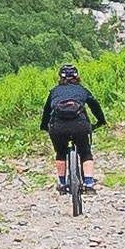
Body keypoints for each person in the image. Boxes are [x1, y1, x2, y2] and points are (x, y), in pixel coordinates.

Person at [41, 64, 107, 192]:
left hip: (58, 126)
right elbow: (95, 106)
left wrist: (44, 126)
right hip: (80, 125)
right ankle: (89, 183)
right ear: (77, 77)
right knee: (85, 152)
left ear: (60, 77)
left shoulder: (54, 91)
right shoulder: (82, 90)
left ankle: (62, 183)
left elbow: (46, 111)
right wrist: (101, 121)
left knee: (60, 153)